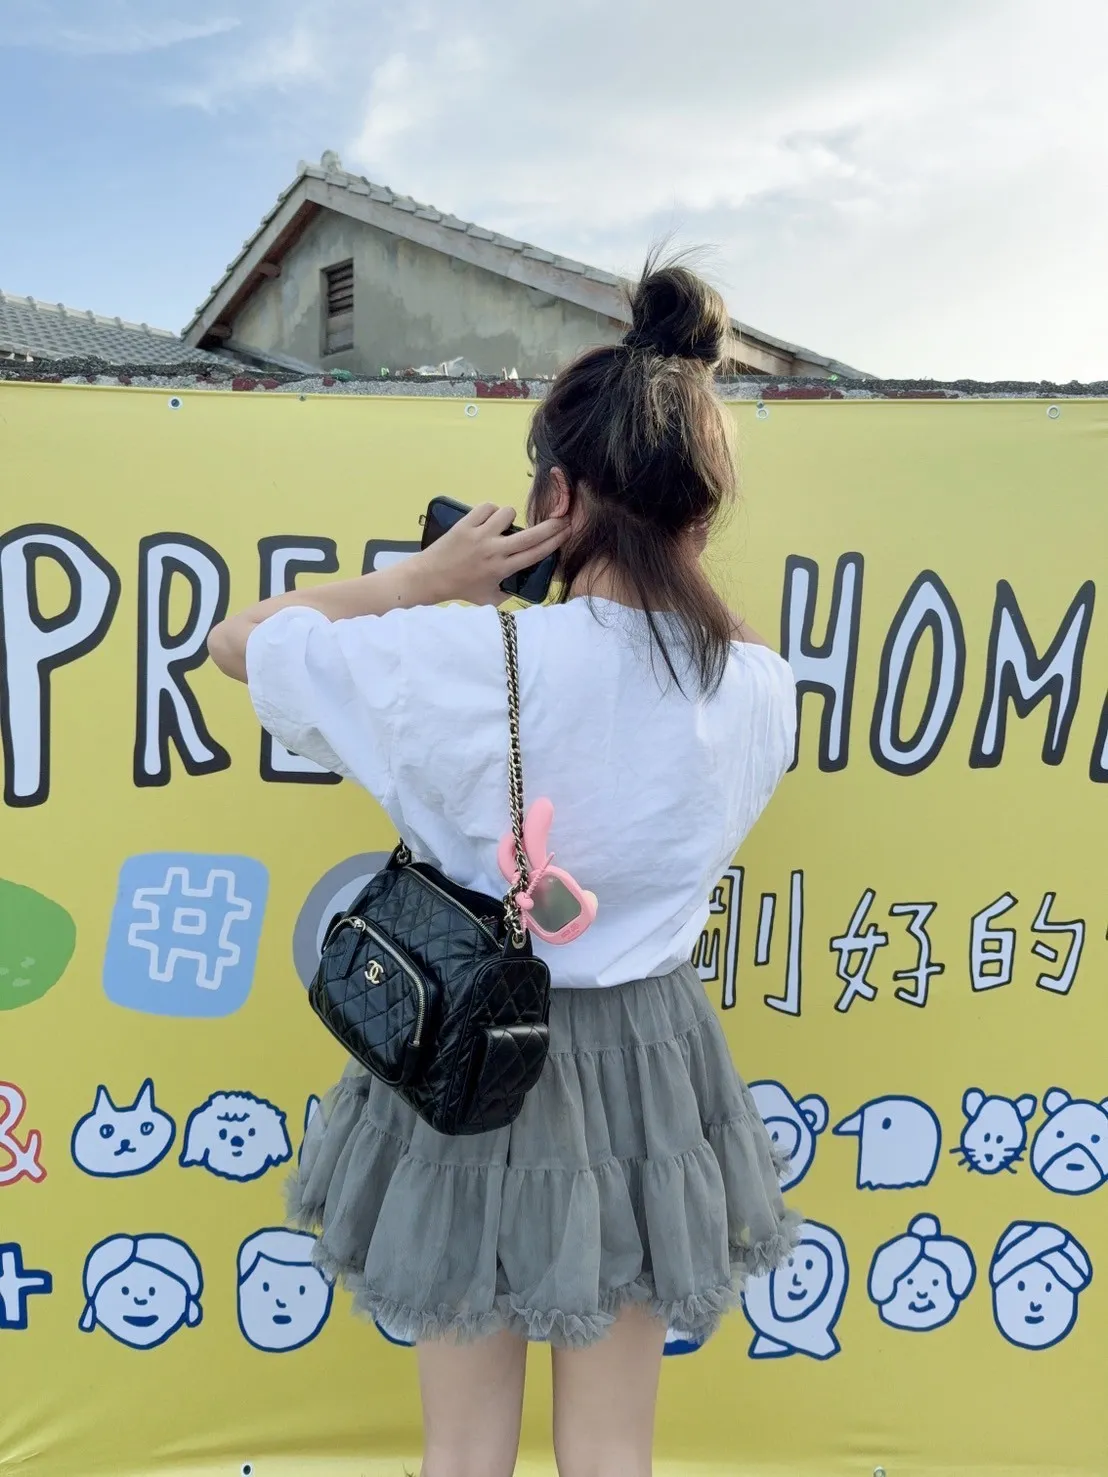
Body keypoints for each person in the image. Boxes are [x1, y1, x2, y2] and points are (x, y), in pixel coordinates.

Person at [208, 256, 799, 1477]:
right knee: (613, 1449)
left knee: (464, 1449)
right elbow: (730, 642)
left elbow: (237, 642)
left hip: (475, 1047)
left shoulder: (464, 658)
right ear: (699, 512)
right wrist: (670, 549)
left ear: (556, 495)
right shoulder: (754, 688)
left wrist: (421, 581)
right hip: (649, 1064)